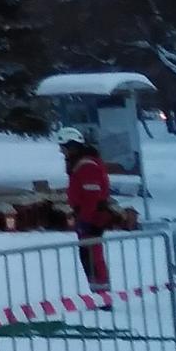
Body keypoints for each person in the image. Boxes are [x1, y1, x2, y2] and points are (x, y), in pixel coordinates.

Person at [59, 127, 116, 310]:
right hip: (88, 217)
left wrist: (85, 220)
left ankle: (103, 299)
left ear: (72, 146)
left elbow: (92, 196)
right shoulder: (81, 163)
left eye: (64, 148)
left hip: (92, 218)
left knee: (93, 257)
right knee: (88, 257)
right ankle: (98, 296)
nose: (63, 152)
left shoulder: (86, 165)